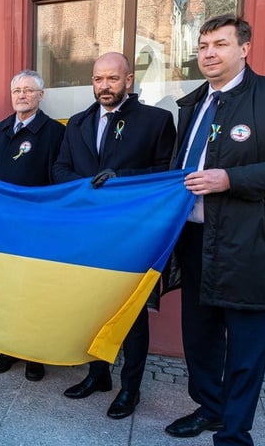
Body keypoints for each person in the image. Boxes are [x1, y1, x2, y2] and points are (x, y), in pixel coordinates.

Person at [165, 14, 265, 445]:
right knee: (200, 334)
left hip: (252, 244)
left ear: (245, 48)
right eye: (203, 46)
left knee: (246, 347)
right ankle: (209, 408)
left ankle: (234, 433)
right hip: (195, 241)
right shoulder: (191, 103)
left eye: (220, 45)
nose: (209, 53)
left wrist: (231, 179)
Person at [53, 52, 176, 419]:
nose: (104, 86)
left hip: (132, 234)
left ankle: (131, 389)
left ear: (128, 80)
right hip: (87, 234)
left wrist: (123, 181)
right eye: (97, 79)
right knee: (92, 306)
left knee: (131, 314)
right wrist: (85, 186)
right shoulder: (76, 123)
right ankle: (98, 375)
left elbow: (166, 173)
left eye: (111, 78)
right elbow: (58, 169)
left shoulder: (156, 121)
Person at [0, 70, 65, 381]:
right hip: (5, 224)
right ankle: (8, 347)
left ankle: (34, 353)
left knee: (34, 290)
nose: (21, 95)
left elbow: (56, 178)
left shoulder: (54, 133)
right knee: (7, 288)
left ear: (40, 96)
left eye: (28, 91)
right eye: (17, 90)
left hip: (37, 225)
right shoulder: (2, 129)